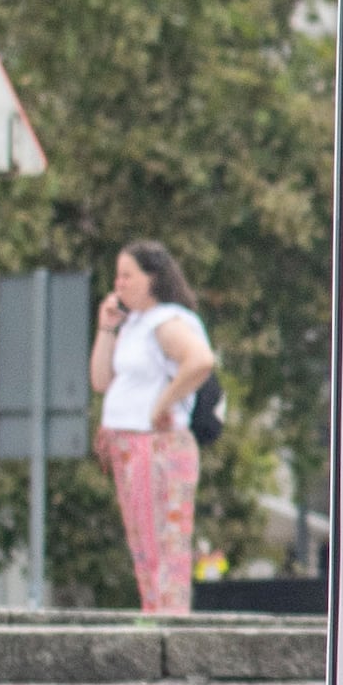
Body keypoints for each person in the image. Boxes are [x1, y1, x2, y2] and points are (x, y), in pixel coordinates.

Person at [92, 241, 219, 619]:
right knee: (142, 538)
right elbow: (101, 380)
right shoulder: (133, 324)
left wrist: (160, 406)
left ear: (153, 278)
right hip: (128, 443)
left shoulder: (166, 321)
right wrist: (106, 329)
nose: (120, 283)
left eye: (128, 275)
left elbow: (199, 360)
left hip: (158, 443)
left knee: (165, 537)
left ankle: (169, 613)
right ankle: (153, 609)